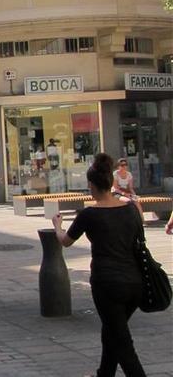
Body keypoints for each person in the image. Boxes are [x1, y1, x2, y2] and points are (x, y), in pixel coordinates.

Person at [51, 154, 146, 377]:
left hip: (108, 284)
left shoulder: (89, 214)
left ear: (91, 185)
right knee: (112, 331)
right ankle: (104, 374)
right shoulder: (130, 209)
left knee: (123, 343)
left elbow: (65, 241)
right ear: (110, 183)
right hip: (135, 282)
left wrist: (57, 226)